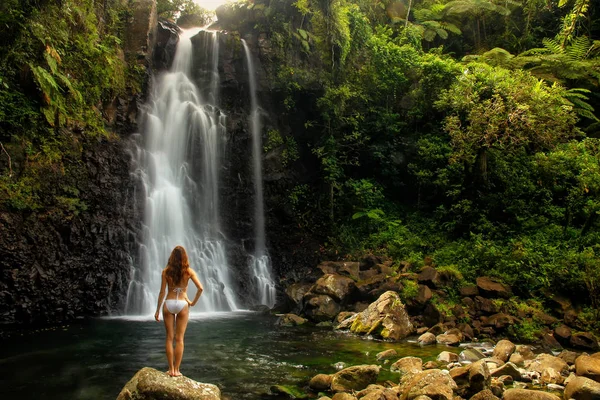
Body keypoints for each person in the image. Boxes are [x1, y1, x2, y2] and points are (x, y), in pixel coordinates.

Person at [154, 245, 203, 377]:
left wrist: (157, 310)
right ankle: (177, 370)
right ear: (185, 257)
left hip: (169, 303)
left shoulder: (165, 271)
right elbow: (200, 288)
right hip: (182, 303)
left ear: (172, 257)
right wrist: (192, 302)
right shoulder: (188, 271)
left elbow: (162, 292)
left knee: (169, 338)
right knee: (180, 339)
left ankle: (170, 369)